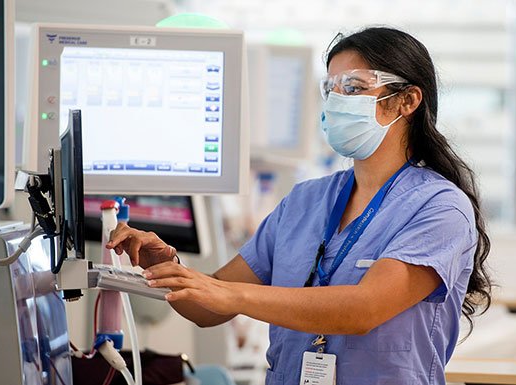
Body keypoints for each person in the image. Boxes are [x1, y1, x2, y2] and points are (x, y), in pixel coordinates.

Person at [108, 27, 492, 385]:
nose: (338, 101)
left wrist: (233, 297)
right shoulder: (305, 202)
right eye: (331, 89)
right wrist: (167, 268)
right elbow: (210, 309)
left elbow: (364, 309)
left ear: (407, 101)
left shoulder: (440, 208)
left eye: (354, 88)